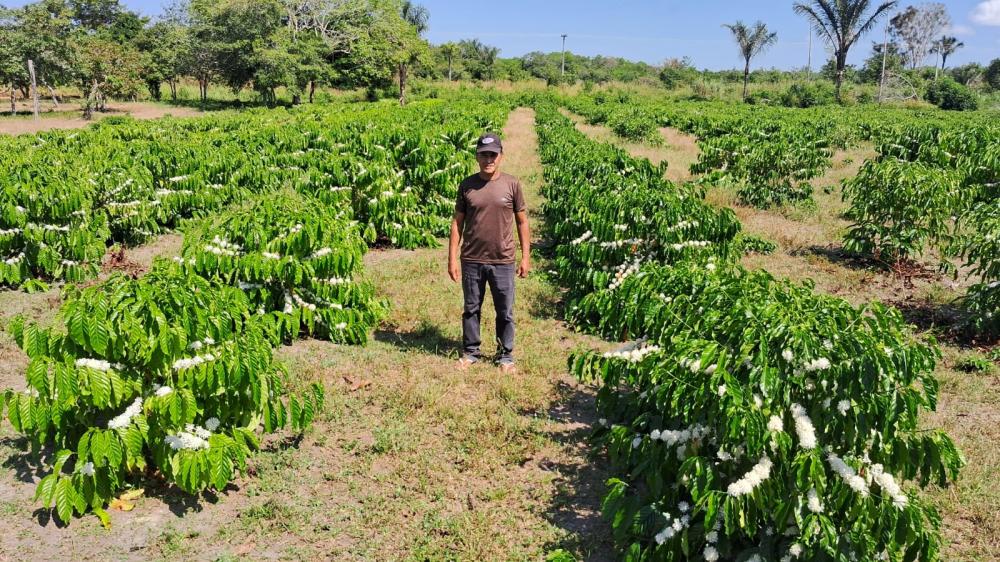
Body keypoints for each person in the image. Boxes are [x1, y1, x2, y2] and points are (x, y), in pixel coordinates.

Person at [448, 132, 530, 373]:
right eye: (484, 155)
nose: (488, 159)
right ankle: (471, 351)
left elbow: (522, 222)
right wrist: (452, 258)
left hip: (502, 259)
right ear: (477, 157)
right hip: (472, 258)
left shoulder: (512, 184)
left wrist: (526, 257)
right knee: (471, 307)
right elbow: (457, 223)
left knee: (505, 310)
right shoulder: (467, 185)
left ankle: (506, 355)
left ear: (501, 156)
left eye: (493, 155)